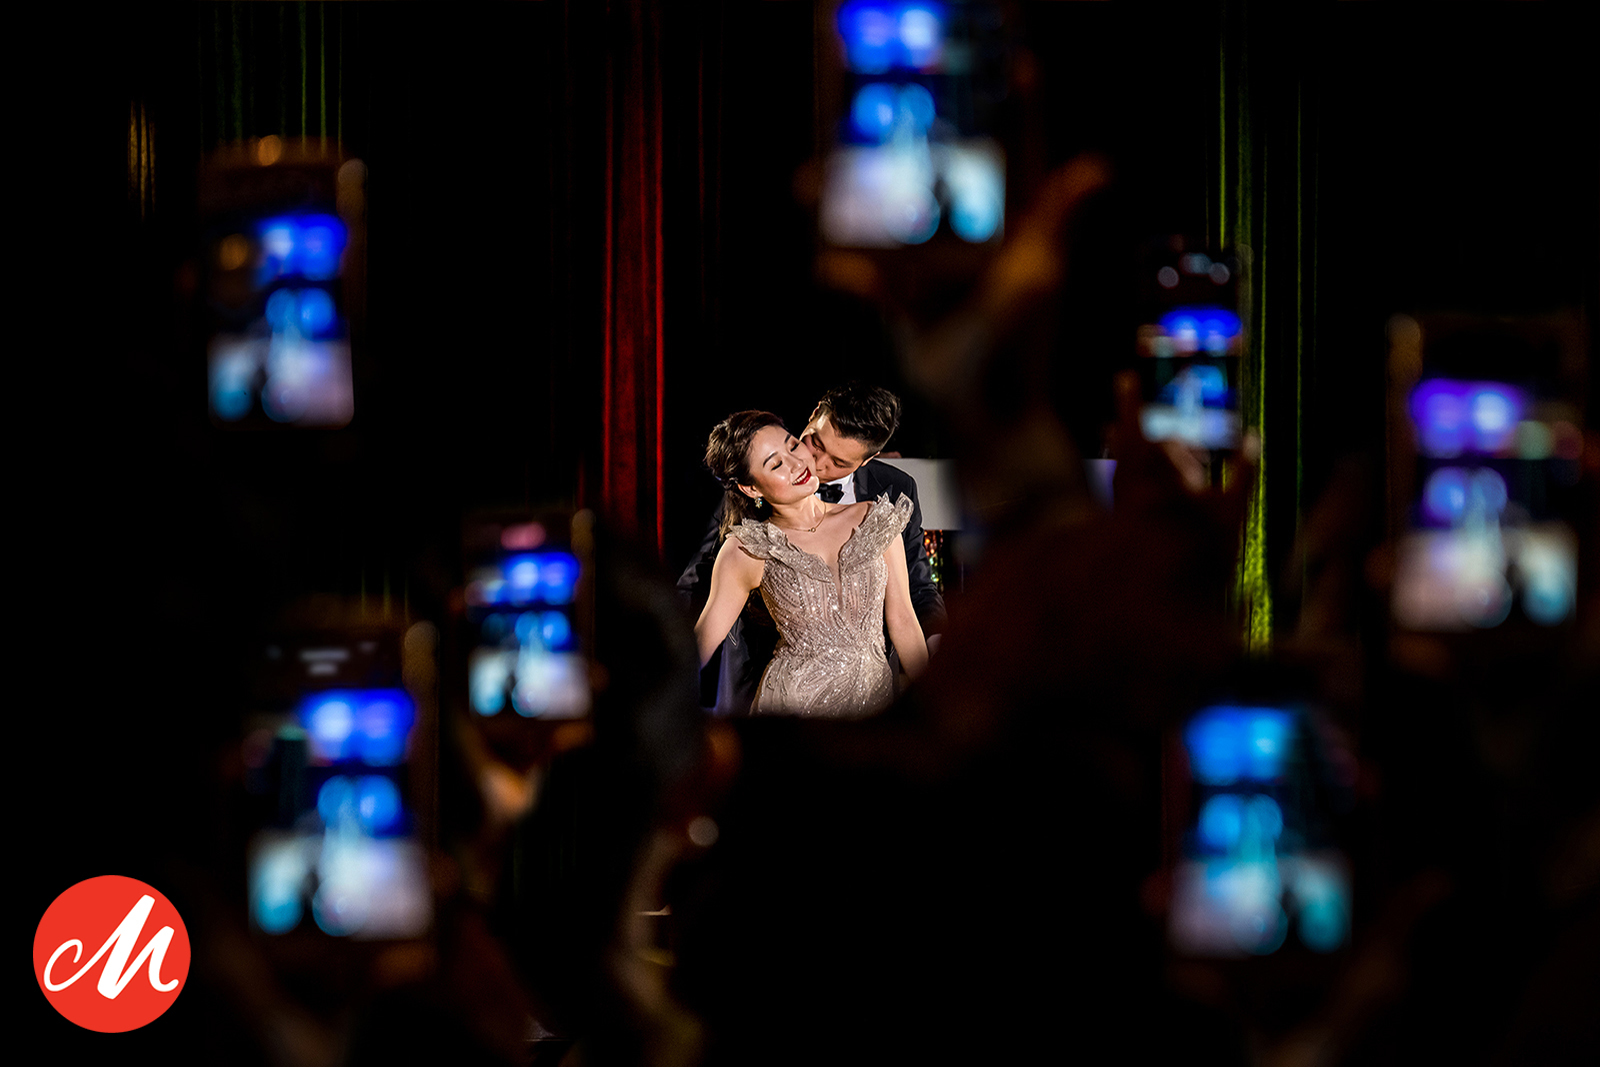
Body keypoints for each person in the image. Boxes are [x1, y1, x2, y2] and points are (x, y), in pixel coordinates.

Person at [678, 383, 944, 713]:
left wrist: (936, 707)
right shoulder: (746, 548)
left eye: (792, 446)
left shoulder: (875, 517)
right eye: (776, 465)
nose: (799, 463)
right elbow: (700, 641)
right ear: (751, 489)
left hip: (874, 707)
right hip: (791, 712)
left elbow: (904, 619)